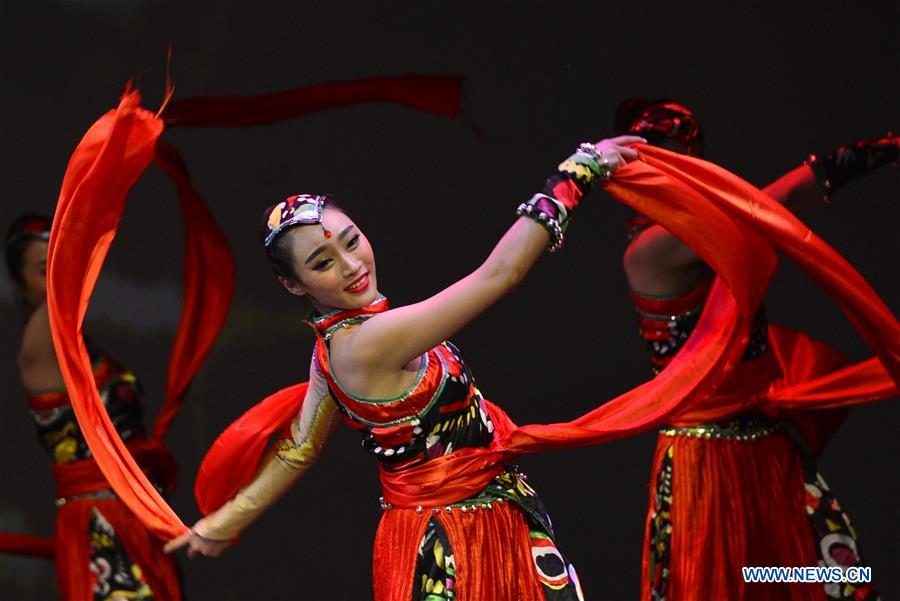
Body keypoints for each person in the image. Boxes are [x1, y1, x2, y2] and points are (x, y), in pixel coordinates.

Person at [165, 135, 644, 600]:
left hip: (468, 523)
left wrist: (225, 522)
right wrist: (577, 173)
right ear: (295, 285)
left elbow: (299, 448)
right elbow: (501, 274)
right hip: (459, 544)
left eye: (351, 241)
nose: (351, 265)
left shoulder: (332, 347)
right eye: (322, 263)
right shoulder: (365, 344)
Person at [615, 98, 897, 601]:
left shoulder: (700, 228)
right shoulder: (651, 251)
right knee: (719, 585)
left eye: (692, 156)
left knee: (823, 577)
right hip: (706, 464)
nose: (687, 170)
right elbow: (768, 206)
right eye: (668, 157)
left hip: (768, 447)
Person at [6, 214, 182, 601]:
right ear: (19, 285)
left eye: (59, 261)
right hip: (100, 522)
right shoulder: (40, 342)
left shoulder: (77, 341)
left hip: (133, 514)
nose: (58, 273)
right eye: (43, 269)